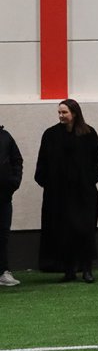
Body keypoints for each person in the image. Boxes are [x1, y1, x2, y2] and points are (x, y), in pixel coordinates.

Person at [34, 99, 98, 282]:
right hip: (58, 195)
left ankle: (87, 269)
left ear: (74, 113)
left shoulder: (88, 133)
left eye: (64, 112)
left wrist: (88, 181)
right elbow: (42, 163)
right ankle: (68, 270)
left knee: (85, 231)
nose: (61, 116)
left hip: (83, 194)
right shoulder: (50, 135)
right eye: (59, 112)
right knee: (63, 232)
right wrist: (48, 184)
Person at [0, 122, 24, 287]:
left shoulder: (5, 137)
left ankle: (3, 271)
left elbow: (17, 160)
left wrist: (14, 182)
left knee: (2, 234)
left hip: (3, 196)